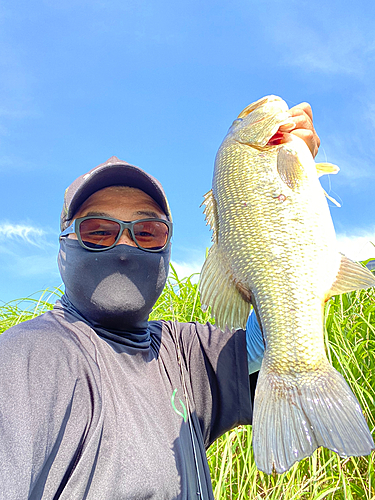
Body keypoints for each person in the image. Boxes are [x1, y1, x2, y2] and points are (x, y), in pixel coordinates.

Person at [0, 103, 320, 499]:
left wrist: (289, 188)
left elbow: (273, 331)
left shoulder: (183, 354)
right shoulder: (23, 361)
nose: (123, 245)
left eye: (147, 232)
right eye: (98, 231)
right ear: (63, 247)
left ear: (167, 247)